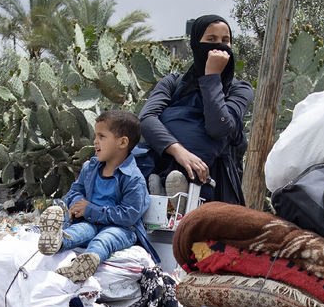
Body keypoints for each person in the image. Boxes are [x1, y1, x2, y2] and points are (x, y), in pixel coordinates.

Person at [139, 14, 254, 205]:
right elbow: (147, 118)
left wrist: (212, 77)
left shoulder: (240, 90)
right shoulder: (173, 83)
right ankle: (170, 189)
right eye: (211, 39)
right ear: (195, 44)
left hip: (216, 183)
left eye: (225, 41)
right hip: (163, 166)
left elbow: (219, 127)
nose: (219, 46)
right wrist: (179, 152)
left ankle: (181, 191)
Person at [37, 109, 157, 282]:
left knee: (103, 240)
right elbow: (75, 191)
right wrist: (77, 203)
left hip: (121, 229)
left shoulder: (133, 178)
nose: (95, 141)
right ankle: (56, 241)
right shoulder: (91, 167)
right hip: (89, 222)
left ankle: (88, 262)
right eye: (95, 136)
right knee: (77, 231)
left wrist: (90, 210)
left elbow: (129, 215)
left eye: (102, 136)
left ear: (122, 143)